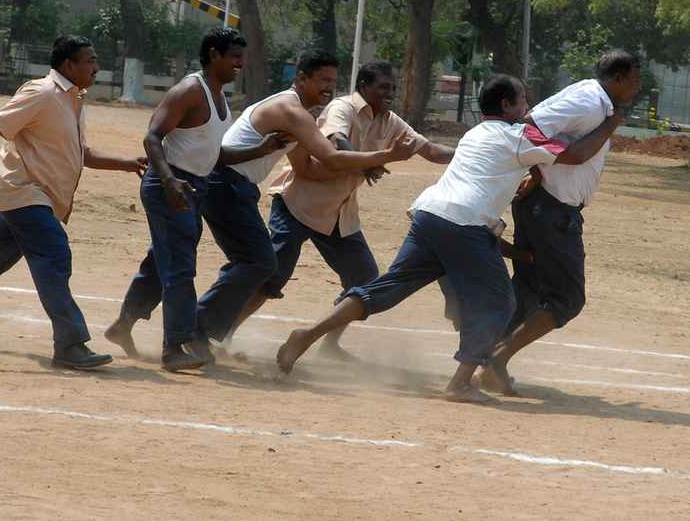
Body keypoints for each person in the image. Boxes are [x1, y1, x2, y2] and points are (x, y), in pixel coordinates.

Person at [275, 74, 625, 403]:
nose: (528, 109)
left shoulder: (474, 134)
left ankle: (307, 335)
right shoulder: (521, 136)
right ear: (506, 106)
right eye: (522, 102)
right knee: (499, 304)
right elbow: (577, 155)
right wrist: (611, 123)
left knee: (388, 288)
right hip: (465, 226)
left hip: (428, 215)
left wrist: (518, 237)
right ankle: (460, 383)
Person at [0, 35, 146, 371]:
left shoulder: (73, 99)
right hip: (23, 191)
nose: (96, 68)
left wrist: (126, 164)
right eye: (90, 61)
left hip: (38, 195)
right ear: (69, 65)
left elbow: (81, 153)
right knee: (54, 253)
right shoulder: (41, 93)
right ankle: (70, 344)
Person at [192, 52, 419, 354]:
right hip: (269, 198)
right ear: (301, 78)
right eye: (323, 80)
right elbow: (331, 154)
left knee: (357, 275)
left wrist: (361, 165)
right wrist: (383, 157)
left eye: (333, 81)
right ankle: (202, 331)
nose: (329, 87)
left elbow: (308, 167)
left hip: (331, 211)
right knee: (261, 267)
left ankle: (197, 331)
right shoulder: (302, 111)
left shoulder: (306, 114)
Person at [104, 28, 289, 372]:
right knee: (180, 267)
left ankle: (123, 325)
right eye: (234, 56)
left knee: (161, 261)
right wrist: (169, 181)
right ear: (214, 54)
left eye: (242, 57)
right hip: (170, 185)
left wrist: (261, 150)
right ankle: (175, 347)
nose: (240, 63)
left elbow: (215, 155)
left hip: (194, 187)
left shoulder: (219, 98)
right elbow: (152, 137)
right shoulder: (190, 90)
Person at [478, 49, 641, 395]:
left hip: (546, 207)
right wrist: (549, 163)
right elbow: (528, 127)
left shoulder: (595, 100)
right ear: (619, 78)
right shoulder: (590, 102)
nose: (636, 88)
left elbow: (538, 129)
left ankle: (478, 361)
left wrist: (538, 169)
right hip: (550, 212)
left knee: (528, 290)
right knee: (567, 298)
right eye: (635, 80)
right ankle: (495, 360)